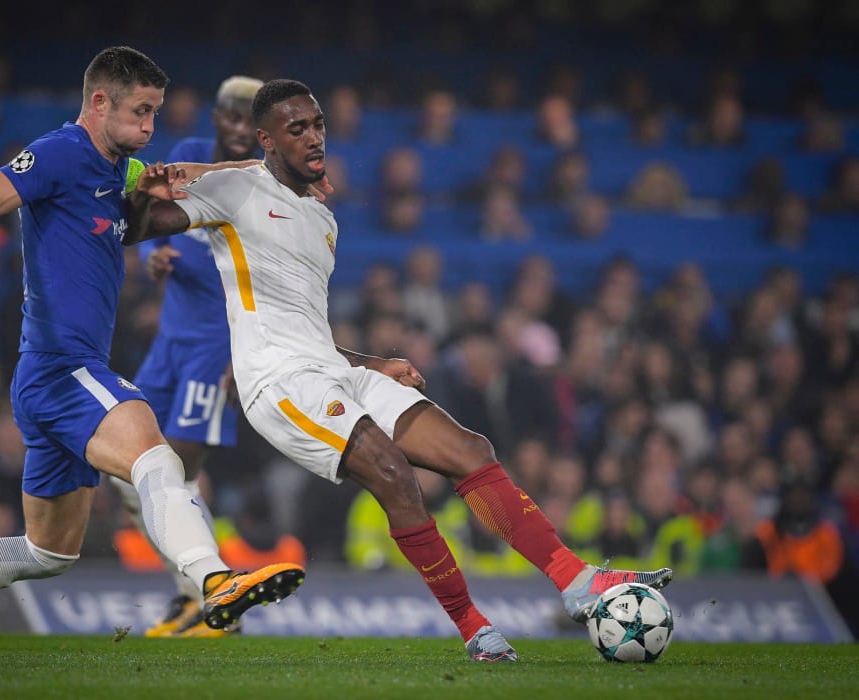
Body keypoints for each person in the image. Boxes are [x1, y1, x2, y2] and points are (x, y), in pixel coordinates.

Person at [125, 78, 673, 663]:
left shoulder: (322, 219)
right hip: (278, 385)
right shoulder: (234, 188)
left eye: (318, 125)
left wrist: (374, 363)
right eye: (297, 129)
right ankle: (474, 629)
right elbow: (137, 223)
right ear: (266, 140)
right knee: (395, 476)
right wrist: (147, 190)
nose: (314, 138)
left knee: (472, 450)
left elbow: (309, 332)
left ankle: (577, 582)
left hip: (329, 369)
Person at [0, 46, 304, 660]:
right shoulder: (59, 152)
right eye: (141, 111)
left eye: (156, 114)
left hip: (50, 380)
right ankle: (215, 583)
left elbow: (179, 175)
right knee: (158, 461)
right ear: (100, 102)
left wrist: (268, 173)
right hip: (65, 370)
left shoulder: (116, 166)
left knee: (46, 553)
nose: (148, 127)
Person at [105, 75, 268, 639]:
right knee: (135, 473)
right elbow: (149, 213)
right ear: (218, 118)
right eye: (234, 116)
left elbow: (265, 283)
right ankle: (191, 594)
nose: (243, 129)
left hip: (214, 348)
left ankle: (215, 601)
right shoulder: (190, 158)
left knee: (178, 473)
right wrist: (156, 251)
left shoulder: (261, 185)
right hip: (169, 342)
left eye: (254, 119)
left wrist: (241, 358)